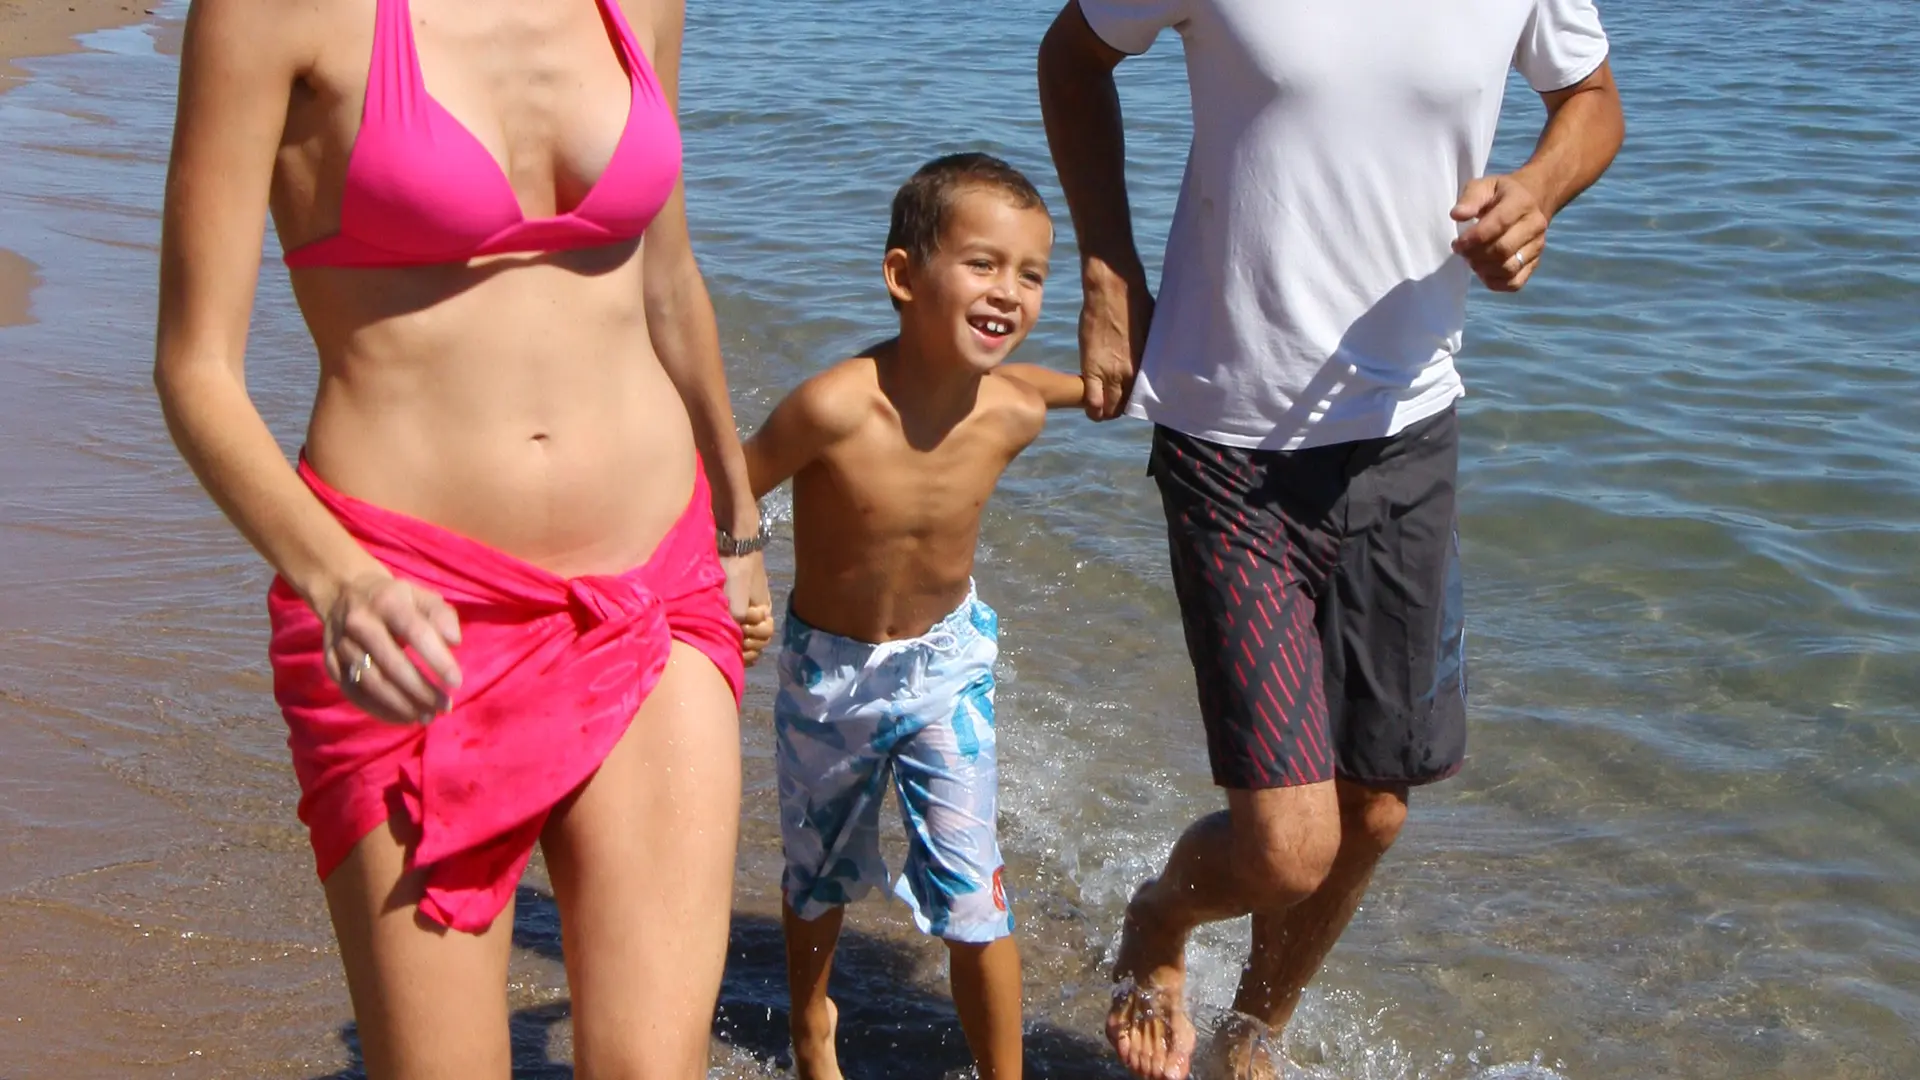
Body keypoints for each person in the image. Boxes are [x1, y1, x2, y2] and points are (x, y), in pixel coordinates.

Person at [152, 0, 770, 1075]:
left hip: (653, 588)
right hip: (406, 613)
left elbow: (667, 279)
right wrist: (340, 582)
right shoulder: (269, 13)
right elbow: (194, 368)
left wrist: (740, 515)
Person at [1037, 1, 1626, 1076]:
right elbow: (1073, 57)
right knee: (1284, 844)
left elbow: (1590, 99)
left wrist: (1538, 192)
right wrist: (1107, 265)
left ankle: (1255, 1027)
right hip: (1228, 437)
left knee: (1374, 811)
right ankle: (1161, 919)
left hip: (1408, 439)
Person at [738, 152, 1082, 1080]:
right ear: (902, 277)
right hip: (829, 676)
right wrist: (741, 570)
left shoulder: (1012, 410)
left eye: (1032, 274)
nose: (1008, 291)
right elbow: (727, 488)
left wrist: (1119, 370)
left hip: (947, 669)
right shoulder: (833, 408)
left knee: (976, 893)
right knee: (816, 876)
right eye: (982, 263)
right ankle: (813, 1025)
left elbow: (1076, 384)